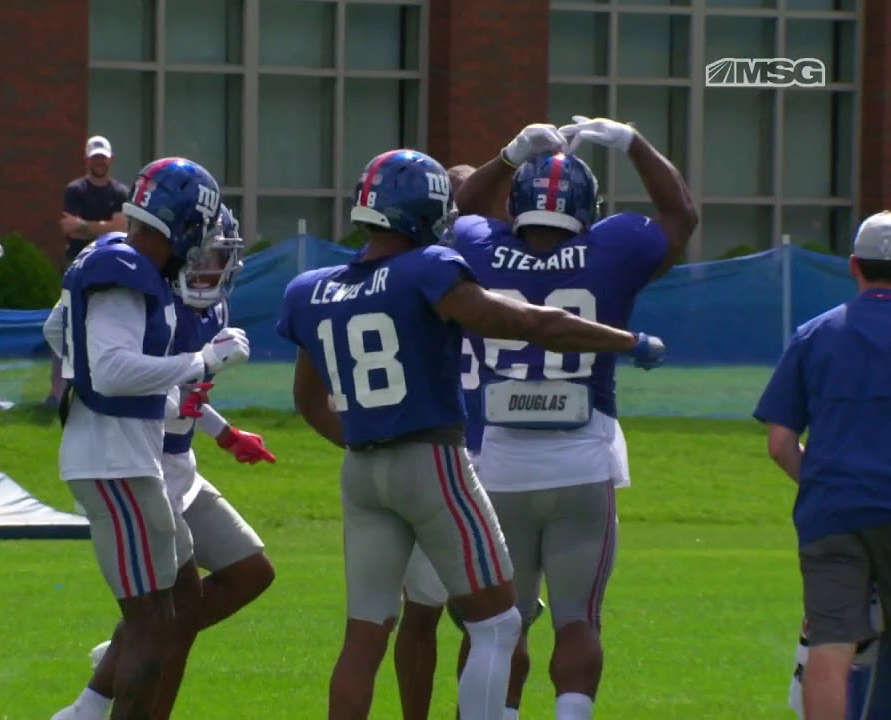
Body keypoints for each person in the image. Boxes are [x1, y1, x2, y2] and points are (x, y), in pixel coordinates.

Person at [275, 146, 668, 719]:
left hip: (360, 468)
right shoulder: (428, 270)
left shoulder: (308, 289)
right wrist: (626, 341)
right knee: (499, 624)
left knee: (363, 638)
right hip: (431, 460)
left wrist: (366, 438)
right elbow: (527, 322)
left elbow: (306, 401)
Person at [437, 116, 697, 720]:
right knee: (578, 617)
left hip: (496, 465)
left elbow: (450, 215)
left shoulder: (478, 245)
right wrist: (635, 143)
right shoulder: (613, 248)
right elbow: (681, 216)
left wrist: (506, 154)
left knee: (500, 624)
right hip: (581, 461)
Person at [46, 157, 252, 720]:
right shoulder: (124, 263)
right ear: (185, 221)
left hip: (128, 453)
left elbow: (59, 331)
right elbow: (112, 370)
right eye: (204, 228)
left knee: (182, 600)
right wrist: (202, 360)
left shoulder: (128, 265)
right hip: (115, 463)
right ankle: (92, 711)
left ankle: (88, 709)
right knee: (152, 620)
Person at [754, 210, 891, 720]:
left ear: (853, 266)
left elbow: (780, 442)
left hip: (833, 512)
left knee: (831, 646)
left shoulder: (813, 334)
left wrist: (821, 480)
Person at [81, 206, 279, 718]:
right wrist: (190, 387)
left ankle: (128, 650)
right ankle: (114, 676)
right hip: (146, 467)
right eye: (202, 255)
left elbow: (187, 388)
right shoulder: (146, 298)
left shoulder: (210, 312)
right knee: (176, 613)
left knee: (250, 572)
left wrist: (223, 432)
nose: (210, 267)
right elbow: (141, 382)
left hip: (181, 469)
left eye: (219, 257)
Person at [395, 162, 528, 720]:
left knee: (429, 614)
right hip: (472, 458)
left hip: (452, 454)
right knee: (497, 618)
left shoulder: (417, 268)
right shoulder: (465, 267)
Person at [48, 135, 132, 407]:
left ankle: (100, 386)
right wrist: (105, 226)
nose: (99, 162)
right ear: (87, 159)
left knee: (107, 322)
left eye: (103, 157)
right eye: (95, 157)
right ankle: (57, 391)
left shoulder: (121, 192)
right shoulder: (75, 190)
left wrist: (85, 225)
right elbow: (67, 228)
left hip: (110, 262)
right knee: (67, 323)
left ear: (110, 159)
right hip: (77, 261)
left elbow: (123, 228)